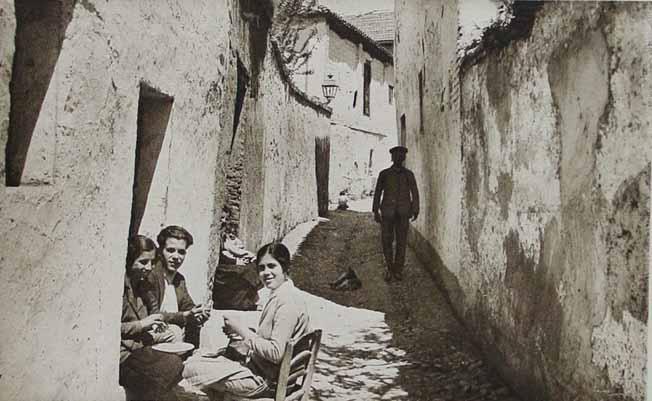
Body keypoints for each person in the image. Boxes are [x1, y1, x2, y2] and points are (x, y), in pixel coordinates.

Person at [183, 242, 311, 400]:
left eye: (272, 266)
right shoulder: (285, 294)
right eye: (262, 268)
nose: (266, 273)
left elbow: (276, 353)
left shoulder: (287, 302)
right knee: (201, 356)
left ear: (285, 268)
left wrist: (241, 330)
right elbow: (275, 339)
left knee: (189, 368)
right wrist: (242, 334)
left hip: (263, 382)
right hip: (265, 372)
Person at [120, 235, 184, 400]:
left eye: (152, 262)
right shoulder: (119, 287)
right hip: (124, 354)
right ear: (129, 260)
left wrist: (156, 322)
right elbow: (111, 328)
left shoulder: (142, 285)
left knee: (175, 362)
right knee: (168, 369)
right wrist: (142, 324)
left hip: (140, 345)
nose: (149, 267)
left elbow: (154, 310)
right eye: (143, 262)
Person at [146, 225, 210, 347]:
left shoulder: (179, 279)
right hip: (154, 331)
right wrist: (184, 315)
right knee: (175, 331)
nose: (176, 257)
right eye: (170, 250)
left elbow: (188, 306)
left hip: (174, 334)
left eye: (181, 252)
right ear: (160, 251)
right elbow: (152, 314)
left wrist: (199, 313)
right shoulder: (151, 275)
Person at [372, 146, 420, 282]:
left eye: (401, 156)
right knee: (386, 241)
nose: (399, 158)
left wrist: (415, 209)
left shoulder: (409, 175)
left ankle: (398, 270)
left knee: (401, 242)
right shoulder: (384, 174)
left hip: (403, 214)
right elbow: (377, 193)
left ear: (404, 158)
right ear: (392, 158)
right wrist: (376, 210)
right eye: (396, 155)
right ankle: (389, 268)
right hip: (387, 213)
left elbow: (415, 193)